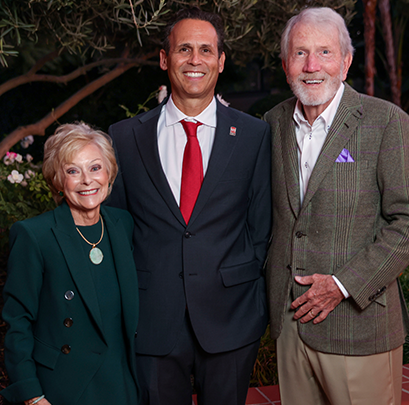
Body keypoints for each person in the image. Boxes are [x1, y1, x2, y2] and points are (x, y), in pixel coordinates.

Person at [263, 7, 409, 405]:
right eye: (300, 53)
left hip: (358, 326)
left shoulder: (385, 122)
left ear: (346, 61)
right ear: (286, 63)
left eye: (324, 52)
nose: (311, 65)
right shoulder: (271, 124)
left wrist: (341, 286)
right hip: (289, 327)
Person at [105, 7, 272, 405]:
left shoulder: (253, 134)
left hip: (231, 318)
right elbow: (117, 229)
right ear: (165, 59)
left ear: (220, 61)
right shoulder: (125, 137)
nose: (195, 60)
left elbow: (262, 227)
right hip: (153, 319)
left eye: (205, 50)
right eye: (184, 49)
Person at [1, 123, 139, 405]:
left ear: (110, 174)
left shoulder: (122, 224)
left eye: (95, 168)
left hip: (122, 382)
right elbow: (18, 322)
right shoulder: (35, 235)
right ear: (57, 180)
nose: (88, 180)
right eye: (73, 171)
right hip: (65, 387)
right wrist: (32, 395)